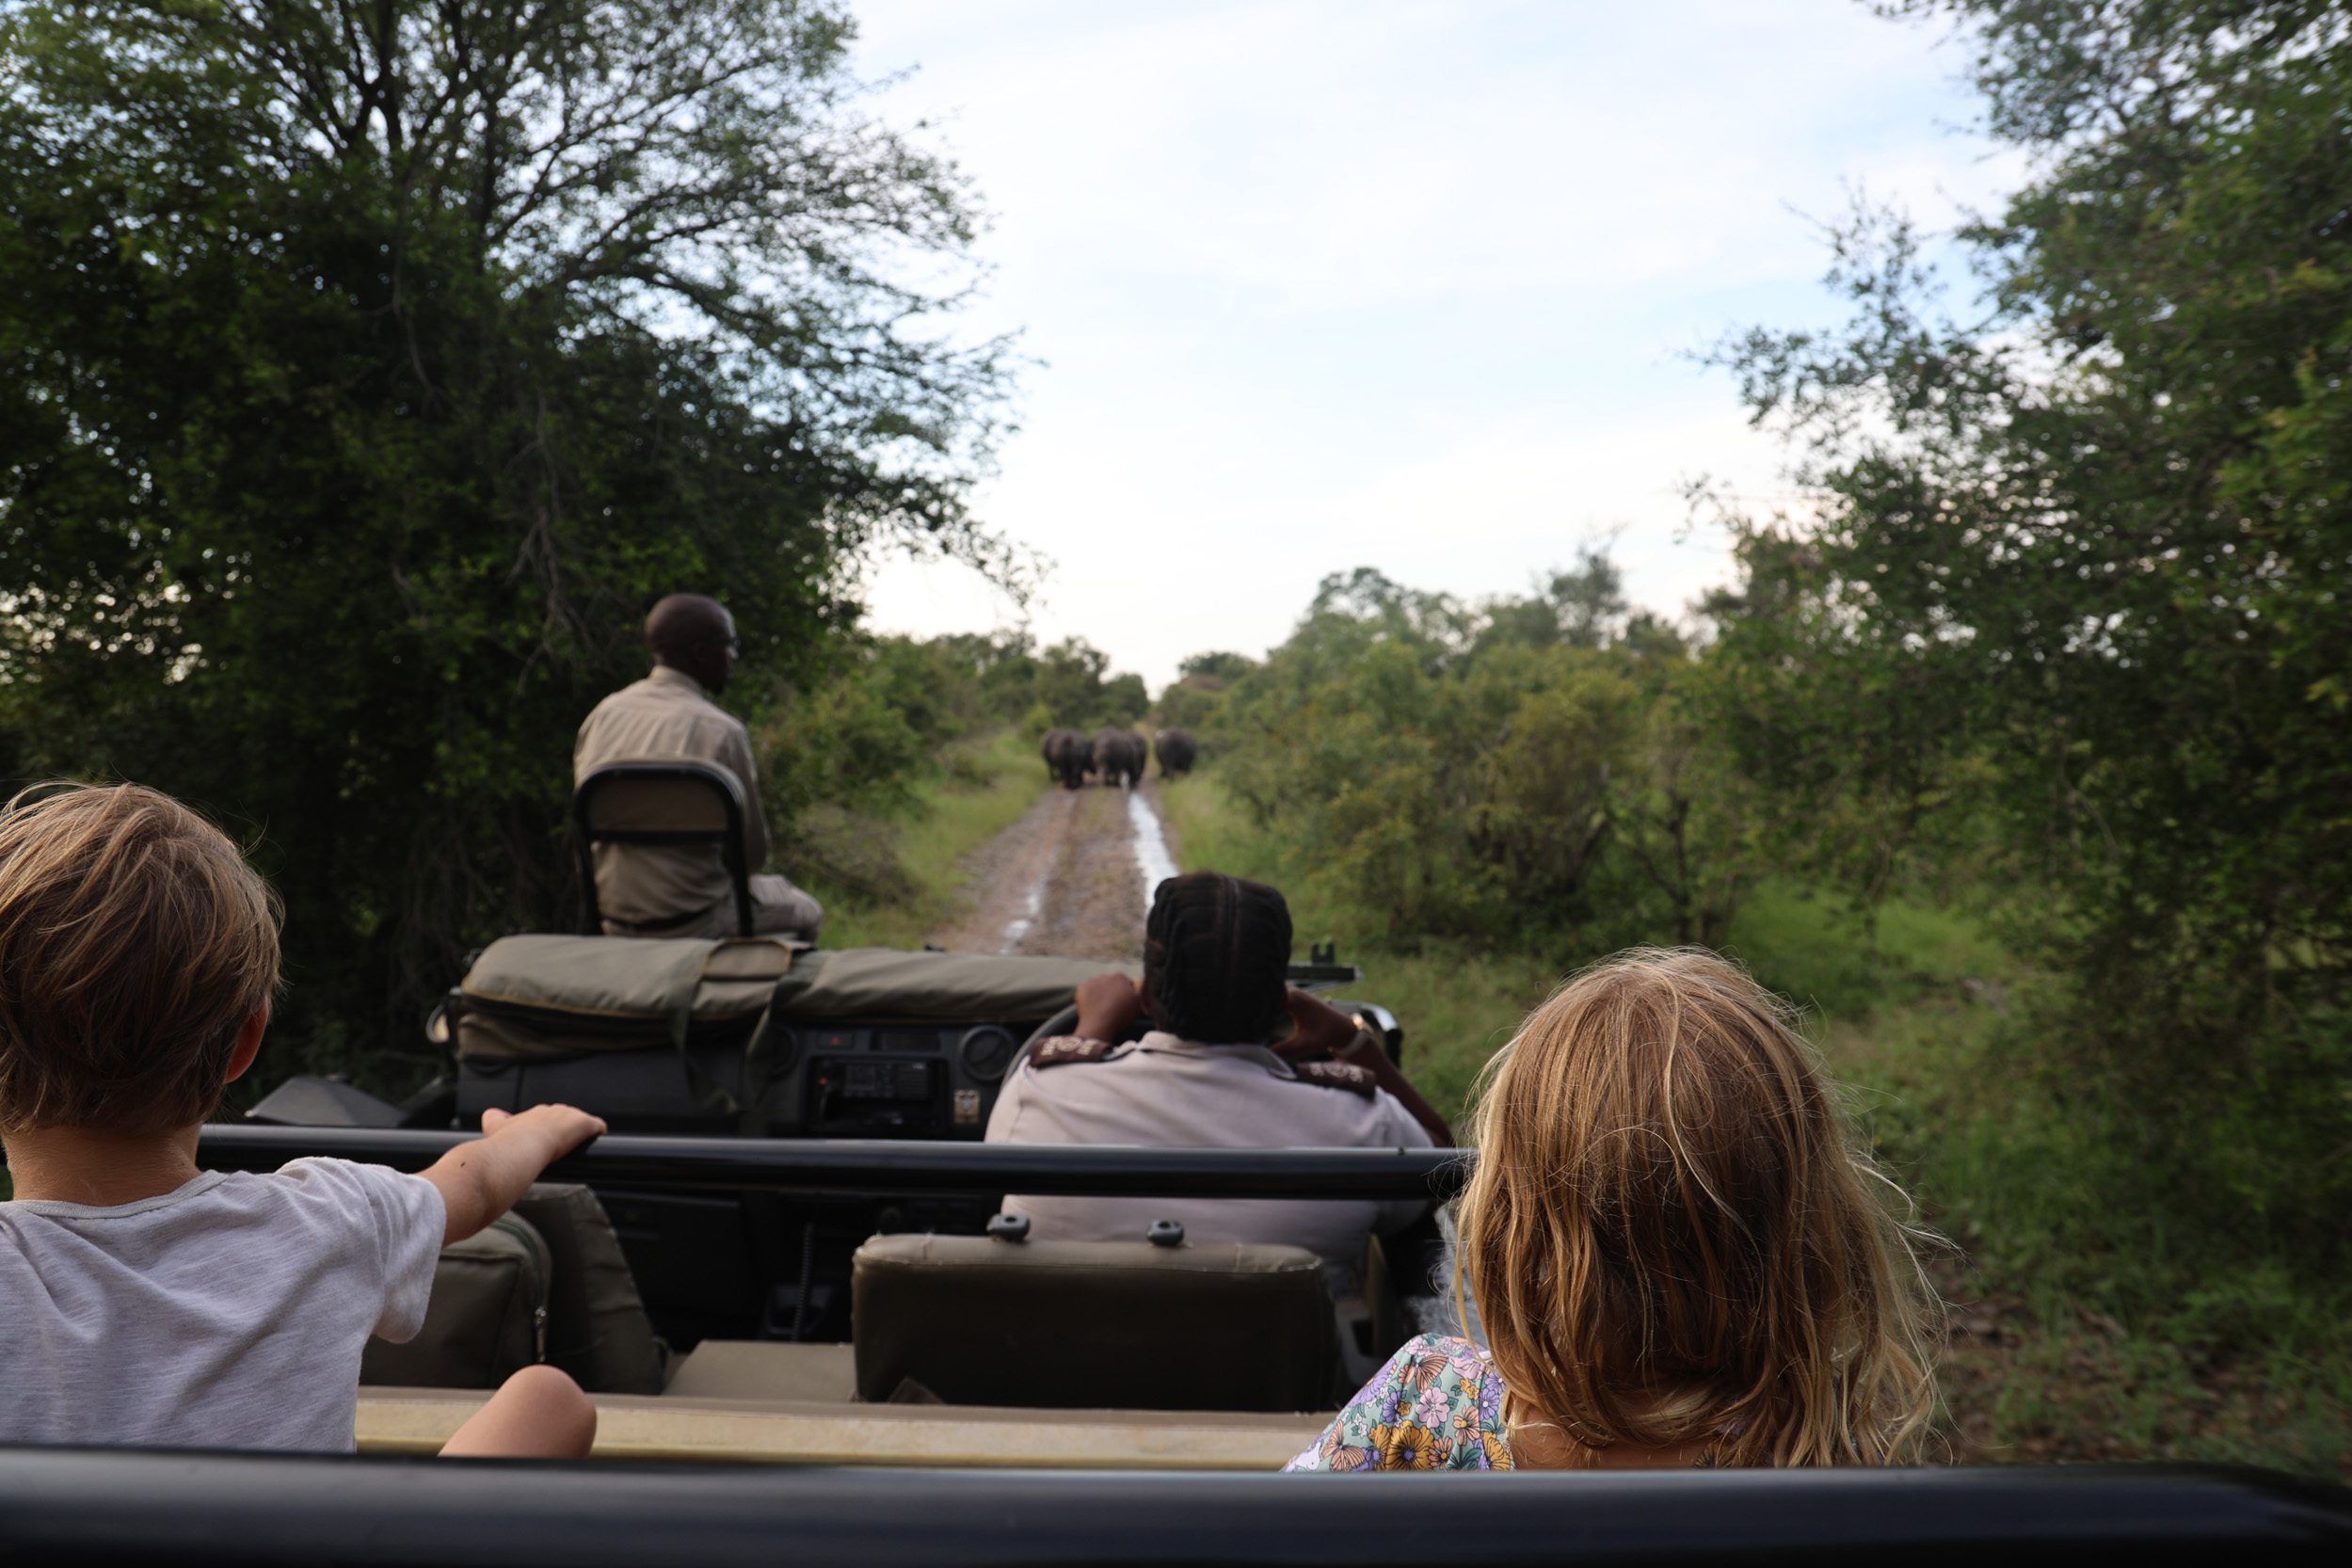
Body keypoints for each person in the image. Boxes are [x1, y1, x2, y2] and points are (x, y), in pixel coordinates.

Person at [0, 782, 606, 1458]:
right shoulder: (334, 1217)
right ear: (245, 1042)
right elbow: (474, 1188)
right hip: (315, 1545)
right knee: (548, 1399)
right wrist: (534, 1131)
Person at [1285, 948, 1942, 1472]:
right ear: (1803, 1228)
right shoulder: (1826, 1458)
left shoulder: (1426, 1400)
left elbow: (1267, 1537)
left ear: (1513, 1220)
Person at [985, 872, 1452, 1289]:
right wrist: (1355, 1044)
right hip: (1286, 1386)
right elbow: (1439, 1169)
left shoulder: (1039, 1093)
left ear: (1146, 995)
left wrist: (1088, 1034)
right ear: (1281, 1006)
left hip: (1068, 1380)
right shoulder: (1361, 1123)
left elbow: (1055, 1080)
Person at [573, 592, 822, 939]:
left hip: (613, 921)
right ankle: (767, 991)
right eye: (729, 644)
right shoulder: (721, 731)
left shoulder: (602, 716)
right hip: (696, 921)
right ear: (701, 653)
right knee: (807, 911)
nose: (733, 655)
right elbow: (750, 858)